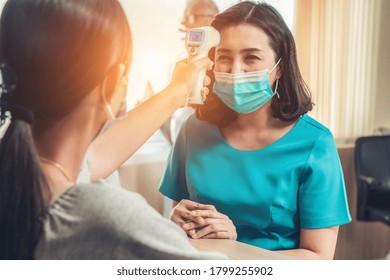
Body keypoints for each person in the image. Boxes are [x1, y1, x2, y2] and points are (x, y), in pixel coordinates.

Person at [0, 0, 227, 260]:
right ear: (112, 85)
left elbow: (98, 155)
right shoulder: (112, 221)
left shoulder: (25, 174)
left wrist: (177, 91)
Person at [159, 1, 352, 260]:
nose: (235, 70)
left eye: (251, 57)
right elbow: (179, 218)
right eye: (224, 57)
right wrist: (175, 221)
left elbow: (318, 258)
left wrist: (235, 246)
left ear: (280, 66)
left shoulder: (315, 143)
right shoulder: (193, 130)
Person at [167, 0, 220, 143]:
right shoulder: (179, 62)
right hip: (185, 129)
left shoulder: (222, 57)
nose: (189, 22)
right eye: (189, 16)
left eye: (196, 16)